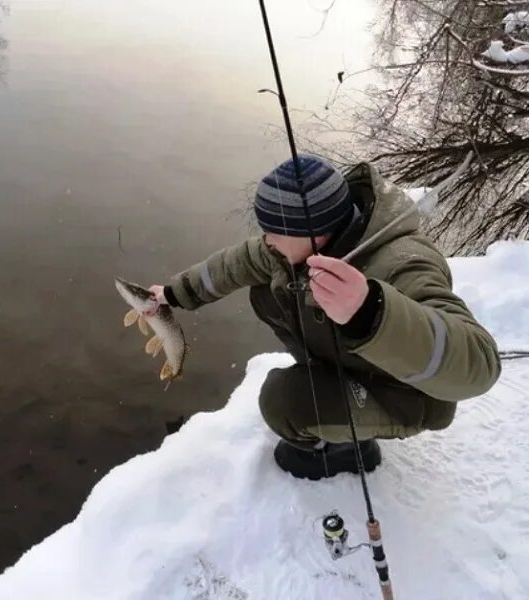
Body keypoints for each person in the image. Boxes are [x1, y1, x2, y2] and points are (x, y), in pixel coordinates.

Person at [148, 155, 501, 480]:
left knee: (285, 403)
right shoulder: (299, 243)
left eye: (274, 231)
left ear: (315, 232)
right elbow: (239, 261)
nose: (267, 239)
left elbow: (480, 366)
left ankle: (344, 451)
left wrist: (371, 312)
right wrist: (175, 294)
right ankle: (333, 388)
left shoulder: (406, 261)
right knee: (269, 290)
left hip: (407, 394)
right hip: (360, 360)